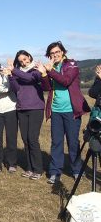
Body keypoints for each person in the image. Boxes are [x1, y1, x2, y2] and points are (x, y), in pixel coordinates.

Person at [37, 41, 90, 184]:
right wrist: (43, 74)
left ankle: (77, 169)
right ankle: (55, 172)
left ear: (63, 52)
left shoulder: (71, 64)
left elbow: (66, 81)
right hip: (56, 111)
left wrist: (50, 71)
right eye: (52, 53)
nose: (55, 55)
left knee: (73, 142)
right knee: (56, 142)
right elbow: (47, 87)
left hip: (71, 110)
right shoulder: (51, 67)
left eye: (57, 52)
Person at [8, 50, 45, 180]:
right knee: (25, 139)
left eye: (25, 59)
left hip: (36, 108)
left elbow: (30, 78)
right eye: (20, 61)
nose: (23, 62)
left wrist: (14, 70)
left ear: (29, 57)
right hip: (22, 109)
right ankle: (29, 168)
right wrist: (10, 76)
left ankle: (38, 169)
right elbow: (16, 88)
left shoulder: (36, 69)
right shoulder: (17, 73)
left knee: (32, 139)